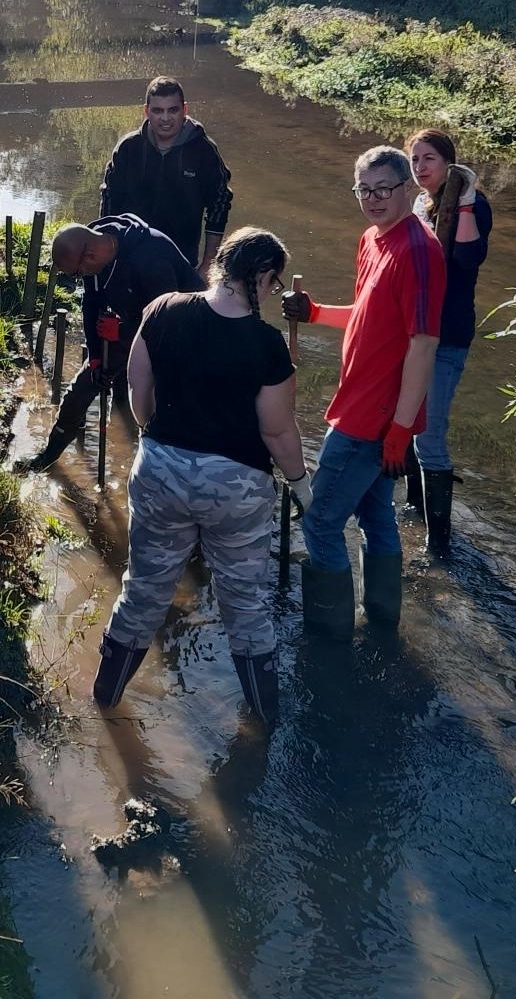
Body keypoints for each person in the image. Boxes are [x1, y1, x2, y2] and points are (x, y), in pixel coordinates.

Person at [93, 227, 306, 726]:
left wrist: (157, 439)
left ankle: (103, 704)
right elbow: (277, 432)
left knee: (143, 591)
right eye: (273, 283)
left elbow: (138, 388)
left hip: (160, 470)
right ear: (263, 276)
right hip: (236, 488)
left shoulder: (163, 309)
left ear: (219, 264)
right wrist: (301, 485)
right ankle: (265, 724)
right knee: (245, 604)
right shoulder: (267, 344)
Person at [280, 145, 444, 638]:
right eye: (364, 190)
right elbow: (367, 315)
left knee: (320, 523)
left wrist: (399, 429)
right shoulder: (372, 239)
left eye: (383, 189)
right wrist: (315, 313)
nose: (373, 199)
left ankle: (329, 641)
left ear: (407, 188)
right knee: (376, 516)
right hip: (361, 404)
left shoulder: (419, 251)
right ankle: (382, 623)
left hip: (372, 418)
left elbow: (423, 344)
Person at [24, 214, 203, 470]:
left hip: (184, 336)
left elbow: (167, 322)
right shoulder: (95, 256)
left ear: (89, 256)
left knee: (154, 406)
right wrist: (96, 357)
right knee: (81, 389)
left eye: (77, 273)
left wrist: (123, 331)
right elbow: (91, 306)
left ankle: (144, 470)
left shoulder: (151, 258)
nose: (79, 277)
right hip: (135, 326)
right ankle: (47, 458)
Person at [403, 128, 491, 559]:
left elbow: (467, 259)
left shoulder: (473, 204)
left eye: (429, 159)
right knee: (404, 423)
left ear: (448, 163)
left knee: (429, 435)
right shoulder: (421, 204)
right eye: (414, 160)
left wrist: (467, 200)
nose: (420, 167)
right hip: (413, 331)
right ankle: (414, 512)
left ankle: (438, 545)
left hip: (447, 334)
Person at [99, 76, 234, 274]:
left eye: (173, 110)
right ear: (146, 111)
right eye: (157, 110)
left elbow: (219, 203)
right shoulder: (128, 148)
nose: (165, 118)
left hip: (181, 260)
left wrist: (208, 264)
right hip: (128, 256)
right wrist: (105, 251)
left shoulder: (204, 150)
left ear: (184, 110)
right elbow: (110, 197)